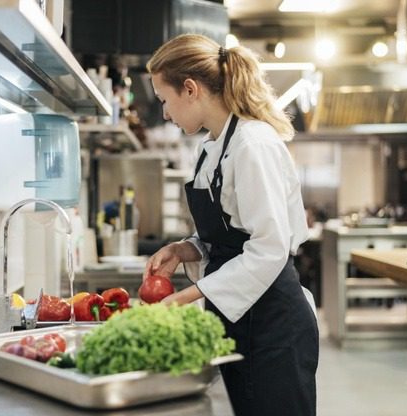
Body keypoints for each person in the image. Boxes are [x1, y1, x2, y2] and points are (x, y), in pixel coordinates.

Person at [143, 34, 319, 416]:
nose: (166, 113)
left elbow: (268, 247)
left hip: (273, 324)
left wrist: (187, 296)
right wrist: (185, 248)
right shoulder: (214, 147)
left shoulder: (253, 144)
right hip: (242, 318)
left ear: (190, 89)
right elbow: (233, 236)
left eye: (164, 100)